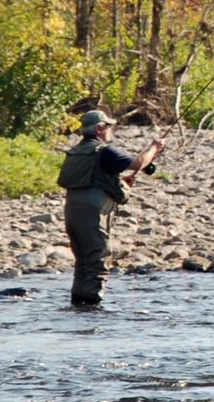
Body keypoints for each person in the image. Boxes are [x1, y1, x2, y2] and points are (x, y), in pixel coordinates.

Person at [56, 109, 163, 307]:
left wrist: (121, 183)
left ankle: (78, 304)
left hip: (73, 214)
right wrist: (154, 149)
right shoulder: (103, 151)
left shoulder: (76, 152)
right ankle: (91, 307)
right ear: (99, 129)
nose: (111, 130)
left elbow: (91, 180)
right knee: (98, 257)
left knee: (83, 260)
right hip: (93, 215)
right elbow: (137, 164)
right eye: (108, 126)